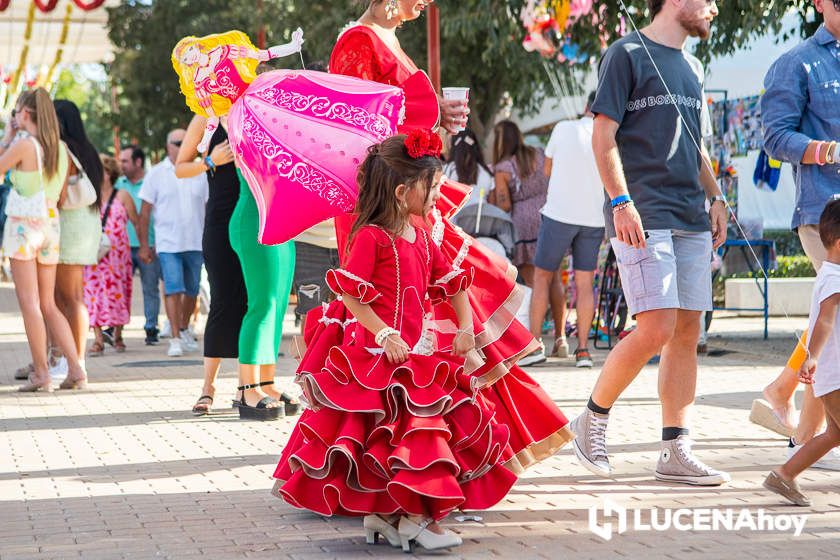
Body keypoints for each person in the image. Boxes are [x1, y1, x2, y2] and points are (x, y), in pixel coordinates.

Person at [329, 0, 573, 471]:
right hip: (385, 204)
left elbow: (390, 125)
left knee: (447, 301)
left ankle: (446, 451)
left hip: (409, 196)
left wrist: (434, 121)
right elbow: (358, 131)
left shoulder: (387, 39)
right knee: (402, 315)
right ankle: (395, 459)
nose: (424, 3)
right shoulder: (358, 41)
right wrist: (422, 122)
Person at [273, 132, 516, 552]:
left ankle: (391, 516)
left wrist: (463, 327)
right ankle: (412, 519)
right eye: (433, 188)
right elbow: (350, 292)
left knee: (409, 438)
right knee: (401, 438)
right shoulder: (371, 237)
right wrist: (383, 333)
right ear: (404, 192)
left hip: (418, 351)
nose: (438, 196)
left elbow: (452, 282)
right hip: (379, 354)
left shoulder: (423, 233)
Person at [571, 0, 731, 485]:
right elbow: (604, 136)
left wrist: (717, 196)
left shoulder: (692, 66)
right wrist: (621, 202)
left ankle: (675, 449)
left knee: (687, 331)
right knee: (657, 326)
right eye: (708, 1)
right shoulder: (626, 53)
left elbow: (696, 144)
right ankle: (591, 420)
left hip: (691, 215)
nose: (714, 9)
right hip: (642, 211)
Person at [751, 0, 840, 470]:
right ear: (819, 3)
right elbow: (774, 138)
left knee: (834, 319)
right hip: (826, 212)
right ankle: (800, 424)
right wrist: (827, 149)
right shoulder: (797, 61)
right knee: (834, 315)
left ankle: (803, 435)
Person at [0, 88, 88, 391]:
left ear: (25, 113)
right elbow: (62, 194)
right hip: (51, 224)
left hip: (24, 226)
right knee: (49, 304)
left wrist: (7, 137)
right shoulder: (61, 149)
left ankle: (41, 372)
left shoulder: (24, 145)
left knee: (30, 303)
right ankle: (76, 368)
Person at [764, 197, 840, 506]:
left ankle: (784, 474)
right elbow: (824, 321)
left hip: (831, 375)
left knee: (834, 434)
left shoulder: (828, 274)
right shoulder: (834, 278)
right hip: (834, 375)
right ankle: (784, 474)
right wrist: (813, 357)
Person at [524, 92, 605, 368]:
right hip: (594, 218)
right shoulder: (610, 135)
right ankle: (582, 350)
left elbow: (547, 170)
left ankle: (535, 345)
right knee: (585, 284)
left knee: (542, 277)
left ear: (586, 106)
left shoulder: (563, 128)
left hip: (559, 214)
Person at [174, 114, 247, 416]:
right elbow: (180, 168)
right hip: (219, 220)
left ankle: (248, 386)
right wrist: (211, 162)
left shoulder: (256, 107)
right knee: (221, 299)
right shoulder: (205, 119)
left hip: (255, 219)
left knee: (251, 303)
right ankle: (208, 387)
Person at [138, 129, 208, 358]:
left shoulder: (202, 170)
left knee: (192, 290)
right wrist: (144, 245)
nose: (181, 146)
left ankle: (185, 328)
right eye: (177, 142)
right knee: (173, 288)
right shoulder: (156, 173)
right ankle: (175, 337)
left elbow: (210, 209)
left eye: (186, 141)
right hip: (168, 244)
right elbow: (145, 212)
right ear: (168, 145)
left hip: (196, 242)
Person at [54, 100, 103, 362]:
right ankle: (67, 357)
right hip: (85, 226)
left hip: (69, 229)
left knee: (68, 298)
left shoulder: (64, 150)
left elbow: (59, 196)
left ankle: (73, 360)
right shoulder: (88, 150)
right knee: (70, 297)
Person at [84, 155, 138, 355]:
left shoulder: (122, 195)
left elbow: (136, 220)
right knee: (93, 294)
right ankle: (98, 338)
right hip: (94, 254)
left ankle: (118, 334)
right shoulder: (89, 195)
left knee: (119, 293)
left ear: (110, 174)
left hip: (118, 255)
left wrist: (143, 246)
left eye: (102, 170)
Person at [491, 120, 549, 286]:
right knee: (554, 281)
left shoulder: (503, 168)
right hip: (548, 217)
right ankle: (556, 313)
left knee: (533, 283)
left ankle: (537, 313)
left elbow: (505, 205)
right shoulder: (539, 153)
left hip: (523, 227)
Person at [117, 144, 162, 345]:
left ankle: (151, 328)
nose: (121, 165)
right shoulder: (118, 184)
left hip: (149, 245)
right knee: (119, 288)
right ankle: (115, 330)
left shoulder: (153, 181)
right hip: (121, 246)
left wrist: (154, 243)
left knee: (150, 288)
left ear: (138, 162)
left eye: (125, 161)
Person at [443, 128, 493, 208]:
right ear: (476, 147)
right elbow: (492, 205)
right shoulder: (486, 173)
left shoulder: (448, 169)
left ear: (454, 147)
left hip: (453, 218)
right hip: (479, 218)